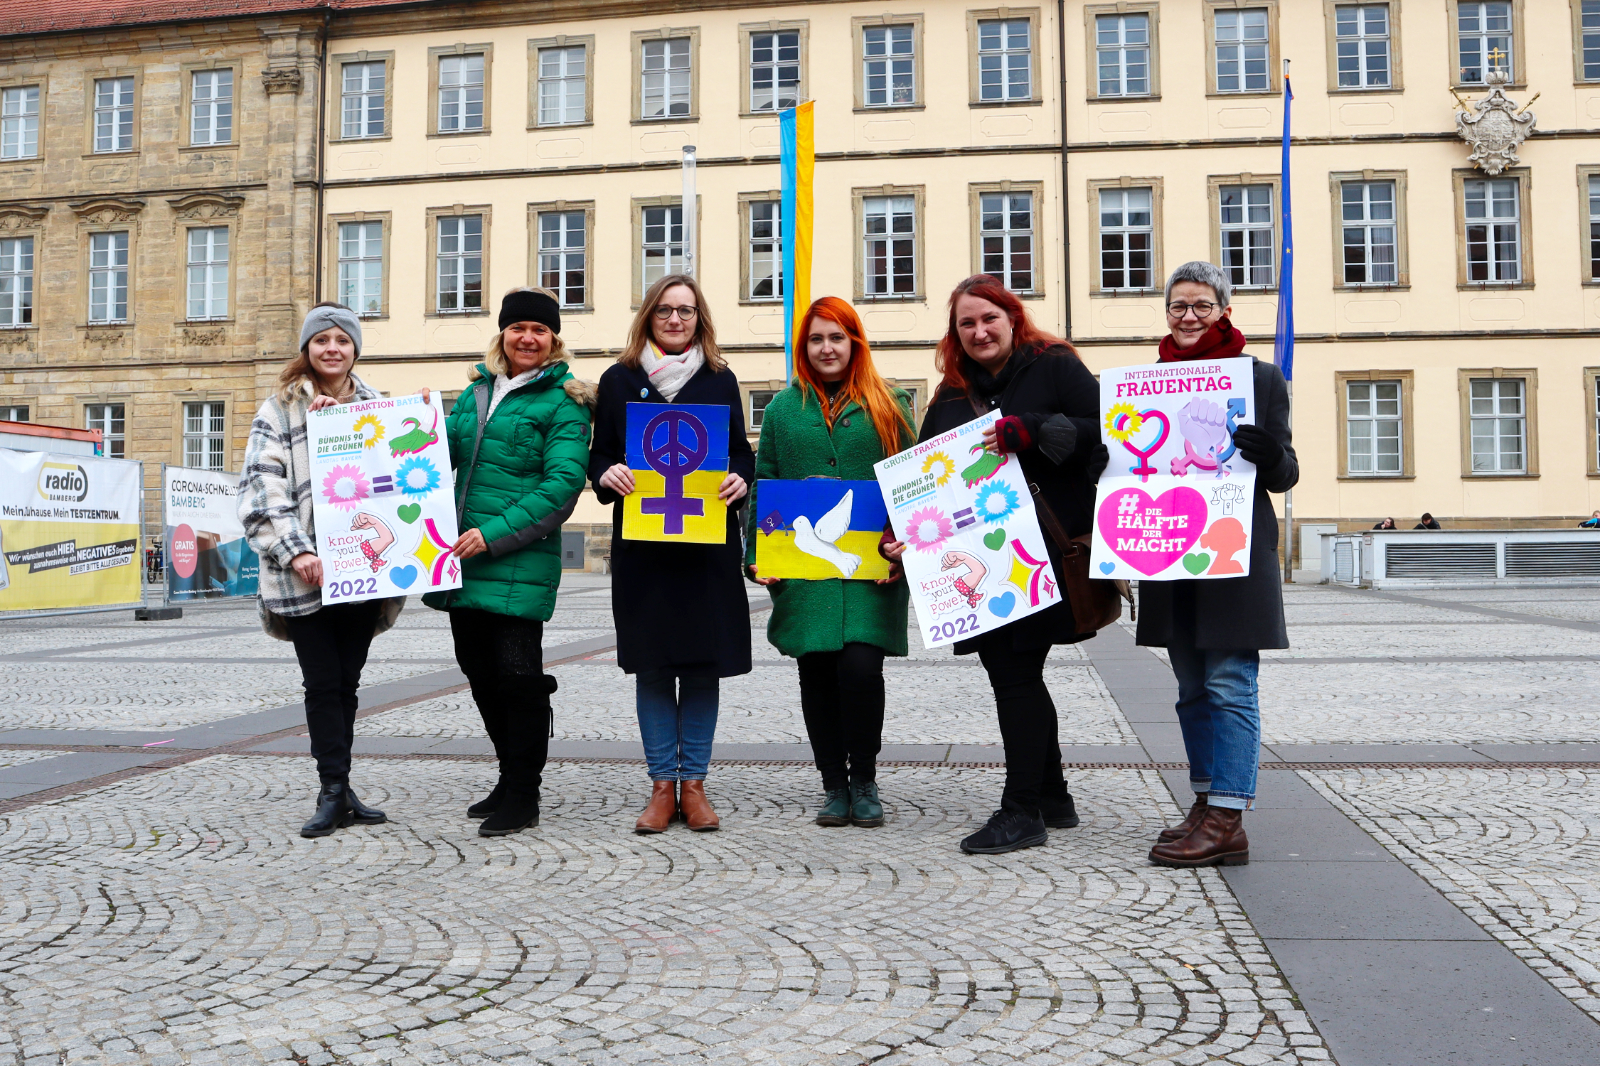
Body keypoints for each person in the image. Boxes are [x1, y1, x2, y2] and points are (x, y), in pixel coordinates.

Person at [885, 276, 1107, 856]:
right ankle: (1053, 794)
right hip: (984, 563)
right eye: (966, 323)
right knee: (1017, 675)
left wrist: (1033, 431)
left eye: (989, 318)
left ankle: (1023, 809)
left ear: (1012, 318)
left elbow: (1106, 436)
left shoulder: (1056, 366)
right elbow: (927, 477)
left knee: (1014, 676)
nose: (979, 331)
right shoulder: (952, 393)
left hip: (1047, 557)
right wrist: (904, 533)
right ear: (955, 333)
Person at [1137, 262, 1298, 868]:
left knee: (1230, 682)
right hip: (1171, 546)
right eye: (1178, 306)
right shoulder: (1147, 384)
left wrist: (1271, 453)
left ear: (1224, 311)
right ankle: (1205, 805)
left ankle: (1229, 815)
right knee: (1188, 687)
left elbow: (1285, 475)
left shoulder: (1259, 379)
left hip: (1232, 549)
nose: (1188, 317)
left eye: (1201, 305)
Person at [421, 287, 593, 837]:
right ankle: (507, 775)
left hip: (515, 560)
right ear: (502, 334)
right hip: (460, 562)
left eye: (539, 330)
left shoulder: (563, 402)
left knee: (518, 679)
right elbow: (429, 452)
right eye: (518, 328)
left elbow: (562, 485)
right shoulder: (475, 394)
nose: (527, 338)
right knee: (479, 674)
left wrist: (490, 536)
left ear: (553, 340)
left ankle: (525, 792)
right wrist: (391, 422)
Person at [588, 273, 756, 833]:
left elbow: (740, 454)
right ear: (649, 318)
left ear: (700, 319)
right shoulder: (620, 380)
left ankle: (695, 786)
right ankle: (662, 786)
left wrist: (738, 478)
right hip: (645, 549)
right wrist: (606, 473)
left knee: (702, 665)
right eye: (665, 311)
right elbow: (601, 456)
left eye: (686, 311)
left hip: (705, 548)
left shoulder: (719, 379)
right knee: (654, 666)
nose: (676, 320)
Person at [745, 297, 915, 828]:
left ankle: (863, 778)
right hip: (804, 570)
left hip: (872, 570)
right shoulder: (779, 410)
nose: (826, 348)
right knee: (816, 674)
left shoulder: (892, 402)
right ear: (804, 347)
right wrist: (755, 557)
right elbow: (762, 486)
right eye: (816, 339)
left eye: (836, 337)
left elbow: (913, 485)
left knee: (862, 670)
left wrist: (905, 545)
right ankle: (832, 785)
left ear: (854, 342)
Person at [240, 302, 406, 838]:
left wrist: (411, 424)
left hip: (363, 570)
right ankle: (331, 788)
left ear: (355, 348)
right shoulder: (279, 409)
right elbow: (262, 489)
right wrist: (298, 552)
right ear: (307, 349)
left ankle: (343, 784)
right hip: (304, 575)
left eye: (342, 339)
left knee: (348, 682)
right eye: (321, 340)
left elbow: (400, 479)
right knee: (322, 682)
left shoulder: (379, 406)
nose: (332, 348)